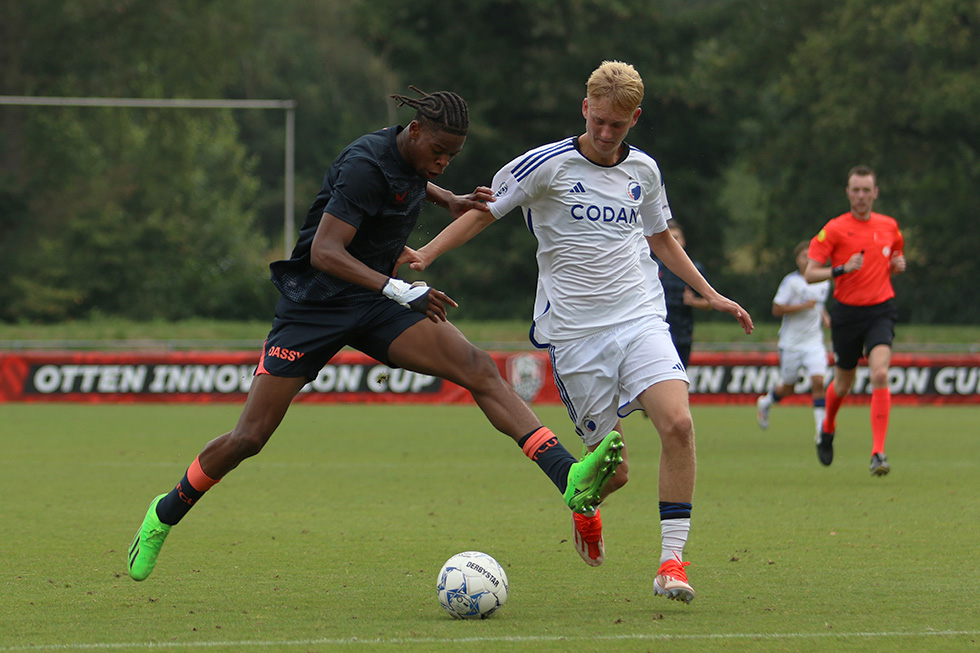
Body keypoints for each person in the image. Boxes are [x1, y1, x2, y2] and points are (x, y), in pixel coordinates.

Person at [126, 87, 624, 582]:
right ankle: (163, 514)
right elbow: (325, 251)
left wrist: (448, 198)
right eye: (438, 152)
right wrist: (399, 289)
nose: (443, 163)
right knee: (249, 437)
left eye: (453, 156)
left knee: (476, 367)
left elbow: (411, 179)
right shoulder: (364, 164)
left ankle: (567, 475)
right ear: (413, 130)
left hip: (375, 302)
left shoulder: (415, 160)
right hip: (314, 307)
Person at [398, 61, 753, 604]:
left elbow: (660, 239)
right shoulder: (544, 166)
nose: (606, 134)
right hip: (576, 335)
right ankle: (583, 503)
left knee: (678, 424)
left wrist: (711, 293)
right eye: (599, 121)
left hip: (640, 318)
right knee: (614, 472)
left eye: (618, 125)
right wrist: (425, 252)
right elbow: (482, 213)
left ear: (635, 119)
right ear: (585, 108)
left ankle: (671, 564)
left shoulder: (646, 173)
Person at [804, 165, 906, 476]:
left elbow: (895, 257)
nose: (861, 196)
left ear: (875, 193)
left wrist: (898, 265)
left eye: (867, 190)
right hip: (847, 313)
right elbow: (810, 273)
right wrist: (842, 269)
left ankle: (878, 453)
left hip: (880, 310)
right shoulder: (834, 229)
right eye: (856, 190)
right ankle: (828, 426)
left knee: (879, 374)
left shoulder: (890, 226)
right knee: (844, 384)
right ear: (848, 192)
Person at [756, 240, 831, 440]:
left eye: (811, 255)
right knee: (788, 387)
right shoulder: (791, 282)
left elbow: (819, 304)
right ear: (797, 260)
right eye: (804, 256)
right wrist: (803, 306)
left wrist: (824, 316)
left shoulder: (824, 281)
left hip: (814, 341)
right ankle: (766, 402)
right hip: (791, 343)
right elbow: (777, 309)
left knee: (818, 382)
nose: (808, 260)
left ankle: (820, 431)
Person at [657, 221, 711, 368]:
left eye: (677, 238)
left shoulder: (694, 269)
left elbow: (709, 303)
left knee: (680, 378)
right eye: (671, 238)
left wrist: (693, 302)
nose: (674, 242)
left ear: (683, 241)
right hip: (659, 334)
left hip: (683, 336)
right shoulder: (655, 268)